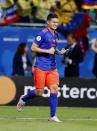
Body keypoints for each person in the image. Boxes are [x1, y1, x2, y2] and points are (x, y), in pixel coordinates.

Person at [17, 13, 68, 122]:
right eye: (53, 22)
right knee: (39, 92)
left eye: (56, 22)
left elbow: (53, 50)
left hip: (52, 67)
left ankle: (52, 116)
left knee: (54, 88)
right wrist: (47, 51)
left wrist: (59, 52)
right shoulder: (42, 34)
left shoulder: (56, 35)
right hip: (40, 66)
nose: (55, 24)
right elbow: (33, 47)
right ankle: (23, 98)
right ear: (48, 22)